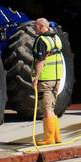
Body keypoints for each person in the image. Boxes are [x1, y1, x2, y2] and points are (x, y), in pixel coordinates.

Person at [32, 18, 64, 146]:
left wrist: (36, 78)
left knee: (46, 109)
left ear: (41, 26)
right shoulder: (56, 38)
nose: (34, 28)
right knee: (52, 107)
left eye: (36, 26)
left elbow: (41, 61)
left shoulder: (42, 40)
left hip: (46, 79)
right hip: (57, 77)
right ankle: (57, 137)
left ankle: (49, 138)